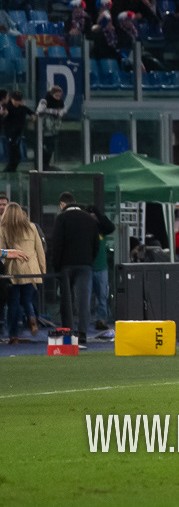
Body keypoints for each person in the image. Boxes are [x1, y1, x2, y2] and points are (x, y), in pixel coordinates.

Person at [50, 192, 99, 343]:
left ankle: (67, 333)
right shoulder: (89, 219)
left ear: (62, 204)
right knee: (83, 300)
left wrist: (56, 266)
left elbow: (57, 244)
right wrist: (89, 260)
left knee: (66, 300)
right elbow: (96, 245)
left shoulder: (61, 219)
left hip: (66, 265)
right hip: (85, 265)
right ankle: (82, 333)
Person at [1, 203, 41, 342]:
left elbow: (1, 250)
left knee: (14, 302)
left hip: (13, 271)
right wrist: (41, 271)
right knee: (27, 299)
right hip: (31, 270)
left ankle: (13, 335)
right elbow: (39, 250)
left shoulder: (3, 228)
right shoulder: (32, 227)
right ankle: (31, 317)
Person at [3, 90, 32, 172]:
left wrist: (32, 115)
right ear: (12, 99)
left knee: (16, 152)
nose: (17, 102)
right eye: (16, 100)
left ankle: (12, 167)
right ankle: (9, 168)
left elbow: (29, 112)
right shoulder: (8, 107)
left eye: (19, 101)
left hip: (18, 132)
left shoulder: (22, 107)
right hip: (10, 132)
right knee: (12, 150)